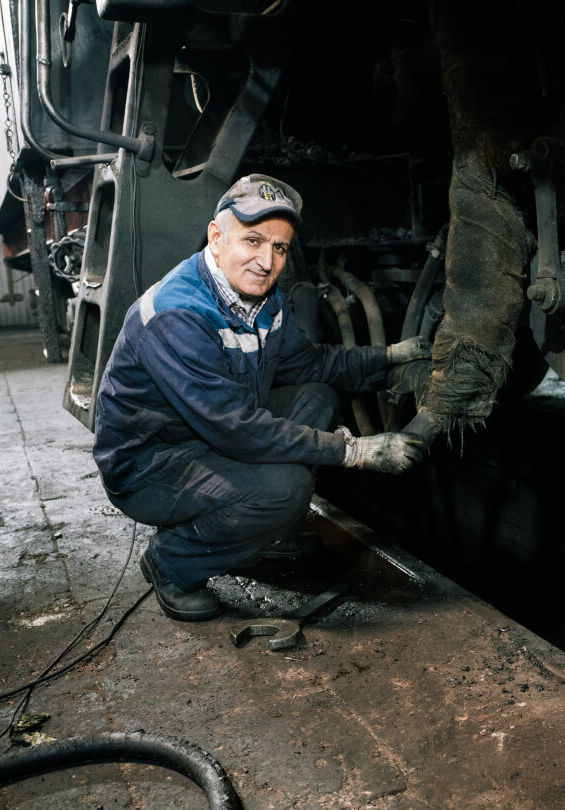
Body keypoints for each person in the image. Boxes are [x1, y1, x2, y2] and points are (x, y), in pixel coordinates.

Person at [93, 174, 430, 621]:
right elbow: (236, 429)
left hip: (210, 432)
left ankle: (268, 534)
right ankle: (172, 562)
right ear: (217, 237)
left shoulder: (263, 301)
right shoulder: (178, 313)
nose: (266, 261)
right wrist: (355, 451)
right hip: (153, 464)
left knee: (316, 397)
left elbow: (312, 365)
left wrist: (389, 356)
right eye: (252, 240)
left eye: (279, 248)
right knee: (284, 490)